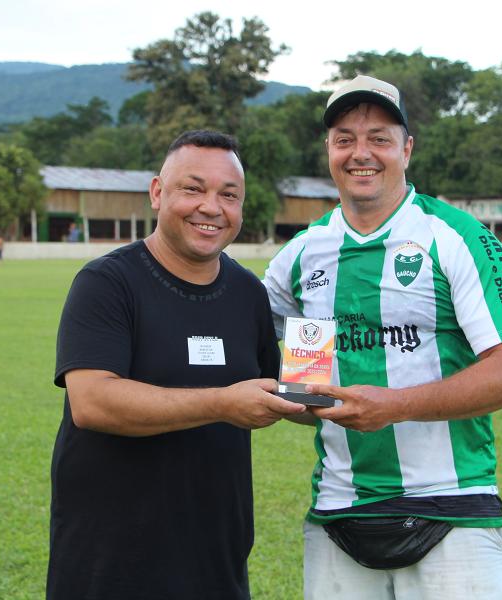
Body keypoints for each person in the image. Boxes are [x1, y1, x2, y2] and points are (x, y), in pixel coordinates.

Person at [263, 76, 502, 599]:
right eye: (344, 138)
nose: (360, 153)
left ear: (406, 149)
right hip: (338, 513)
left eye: (379, 138)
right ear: (328, 150)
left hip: (453, 508)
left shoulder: (457, 236)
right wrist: (297, 400)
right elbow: (299, 376)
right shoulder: (302, 254)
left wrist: (395, 405)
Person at [47, 130, 306, 599]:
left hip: (215, 563)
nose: (211, 207)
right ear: (157, 193)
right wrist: (223, 403)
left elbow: (279, 391)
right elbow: (92, 403)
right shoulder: (106, 283)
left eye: (229, 195)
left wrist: (338, 398)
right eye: (193, 188)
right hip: (110, 568)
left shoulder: (249, 294)